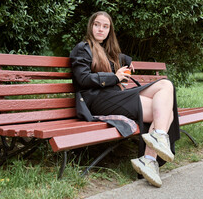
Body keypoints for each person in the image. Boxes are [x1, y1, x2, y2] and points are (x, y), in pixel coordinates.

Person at [70, 11, 180, 187]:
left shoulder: (107, 51)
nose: (101, 29)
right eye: (97, 25)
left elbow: (121, 57)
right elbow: (82, 79)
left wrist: (128, 62)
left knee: (166, 85)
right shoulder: (82, 48)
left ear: (109, 30)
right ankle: (150, 158)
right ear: (91, 26)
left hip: (113, 96)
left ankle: (154, 147)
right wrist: (115, 77)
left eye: (105, 27)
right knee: (166, 114)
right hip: (96, 100)